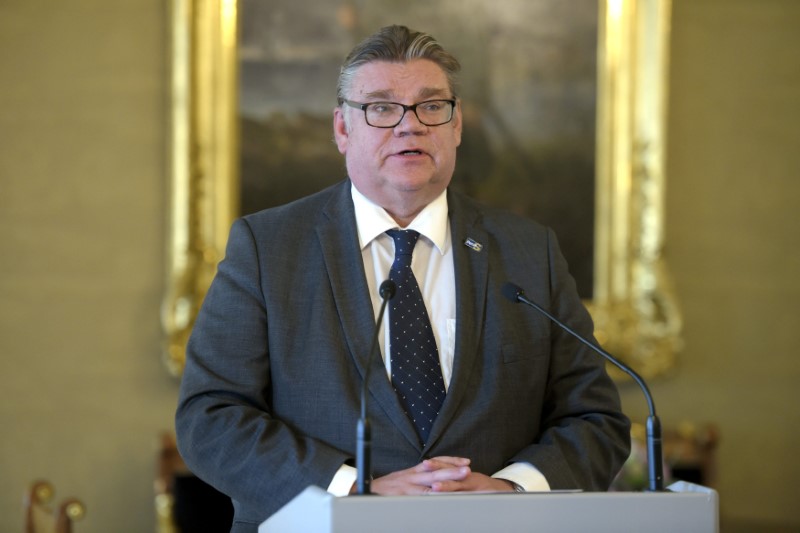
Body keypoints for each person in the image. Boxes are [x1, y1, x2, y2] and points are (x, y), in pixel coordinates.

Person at [176, 24, 630, 532]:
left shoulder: (529, 252)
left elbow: (596, 420)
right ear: (343, 129)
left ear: (456, 127)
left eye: (431, 106)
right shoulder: (267, 247)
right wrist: (355, 489)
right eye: (381, 107)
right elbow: (210, 418)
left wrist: (511, 489)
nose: (409, 126)